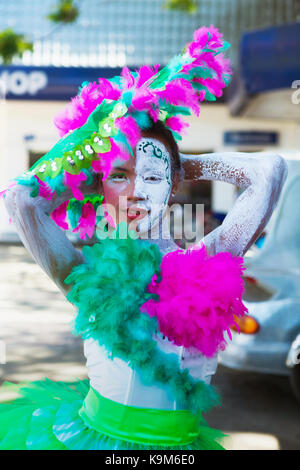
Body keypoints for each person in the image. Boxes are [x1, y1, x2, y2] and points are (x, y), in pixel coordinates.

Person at [0, 26, 287, 450]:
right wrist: (92, 153)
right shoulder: (85, 273)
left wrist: (180, 161)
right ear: (100, 188)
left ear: (173, 186)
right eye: (120, 176)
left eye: (153, 177)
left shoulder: (209, 260)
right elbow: (22, 199)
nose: (136, 190)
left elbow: (269, 172)